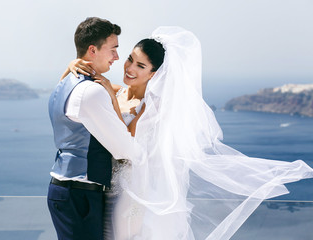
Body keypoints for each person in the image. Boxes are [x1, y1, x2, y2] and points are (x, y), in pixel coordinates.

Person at [63, 27, 313, 240]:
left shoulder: (153, 105)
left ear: (154, 74)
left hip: (134, 187)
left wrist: (111, 99)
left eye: (141, 65)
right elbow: (87, 79)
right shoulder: (117, 90)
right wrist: (74, 63)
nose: (129, 67)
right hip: (110, 182)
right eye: (129, 59)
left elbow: (128, 136)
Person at [47, 17, 138, 240]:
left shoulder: (65, 82)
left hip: (67, 190)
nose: (117, 57)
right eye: (113, 49)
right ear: (92, 50)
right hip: (80, 195)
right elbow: (124, 149)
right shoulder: (91, 92)